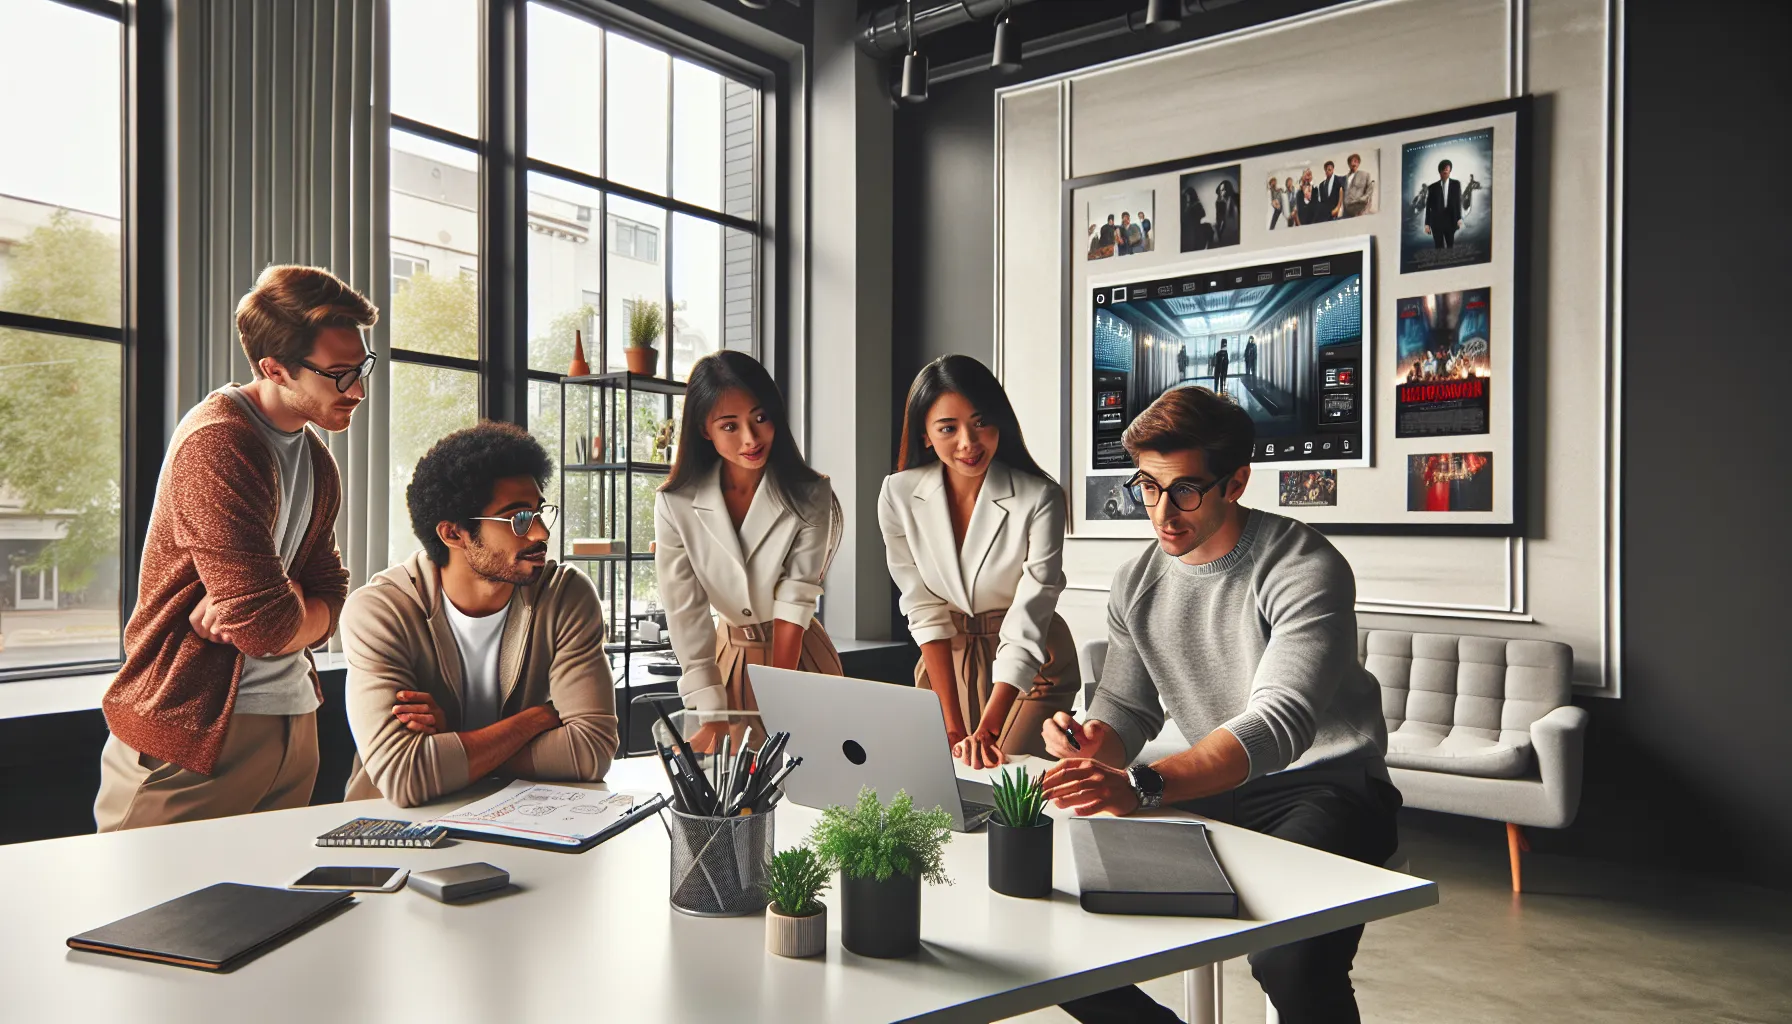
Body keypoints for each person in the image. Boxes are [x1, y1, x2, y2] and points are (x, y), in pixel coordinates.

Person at [1041, 386, 1396, 1024]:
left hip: (1326, 785)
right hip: (1212, 785)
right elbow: (1127, 704)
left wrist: (1143, 784)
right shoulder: (1136, 580)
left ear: (1236, 483)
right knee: (1052, 925)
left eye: (1185, 489)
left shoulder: (1304, 564)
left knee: (1290, 960)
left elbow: (1279, 724)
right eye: (1147, 486)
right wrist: (1096, 740)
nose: (1162, 511)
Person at [94, 265, 374, 831]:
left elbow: (333, 597)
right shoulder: (219, 443)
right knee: (142, 915)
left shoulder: (317, 460)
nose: (359, 390)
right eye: (340, 375)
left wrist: (289, 601)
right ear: (274, 369)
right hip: (191, 732)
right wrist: (291, 609)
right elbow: (262, 627)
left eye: (361, 368)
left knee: (272, 915)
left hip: (293, 725)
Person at [339, 424, 618, 807]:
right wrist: (537, 719)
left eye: (539, 512)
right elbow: (406, 775)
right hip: (399, 831)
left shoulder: (564, 595)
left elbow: (590, 751)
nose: (539, 533)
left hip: (523, 821)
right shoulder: (381, 611)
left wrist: (452, 736)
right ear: (454, 534)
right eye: (518, 519)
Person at [878, 355, 1078, 767]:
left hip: (1034, 665)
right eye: (948, 428)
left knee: (1009, 781)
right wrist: (952, 726)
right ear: (926, 435)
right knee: (939, 787)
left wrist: (987, 729)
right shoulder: (898, 494)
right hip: (944, 663)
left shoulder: (1041, 497)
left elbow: (1029, 615)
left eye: (981, 422)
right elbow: (922, 605)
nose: (969, 442)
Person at [655, 351, 841, 748]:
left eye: (760, 418)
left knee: (815, 788)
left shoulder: (811, 492)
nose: (751, 438)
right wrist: (711, 709)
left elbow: (796, 597)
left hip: (800, 656)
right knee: (735, 798)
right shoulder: (675, 503)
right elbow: (685, 611)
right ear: (704, 430)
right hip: (727, 661)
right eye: (730, 425)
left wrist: (780, 694)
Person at [1424, 158, 1464, 248]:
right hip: (1436, 221)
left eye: (1447, 169)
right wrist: (1427, 224)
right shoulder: (1432, 187)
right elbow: (1428, 207)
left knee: (1450, 245)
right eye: (1443, 169)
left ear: (1450, 171)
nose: (1446, 170)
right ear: (1440, 172)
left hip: (1450, 220)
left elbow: (1458, 202)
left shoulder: (1456, 184)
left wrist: (1459, 218)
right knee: (1438, 247)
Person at [1343, 152, 1375, 218]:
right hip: (1347, 211)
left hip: (1359, 209)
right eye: (1352, 161)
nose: (1354, 163)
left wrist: (1364, 210)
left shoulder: (1365, 175)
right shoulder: (1345, 178)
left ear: (1358, 163)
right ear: (1349, 164)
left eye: (1356, 161)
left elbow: (1369, 192)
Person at [1212, 180, 1239, 247]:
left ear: (1228, 189)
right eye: (1220, 190)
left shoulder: (1236, 199)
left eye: (1223, 190)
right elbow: (1220, 219)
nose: (1221, 193)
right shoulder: (1222, 203)